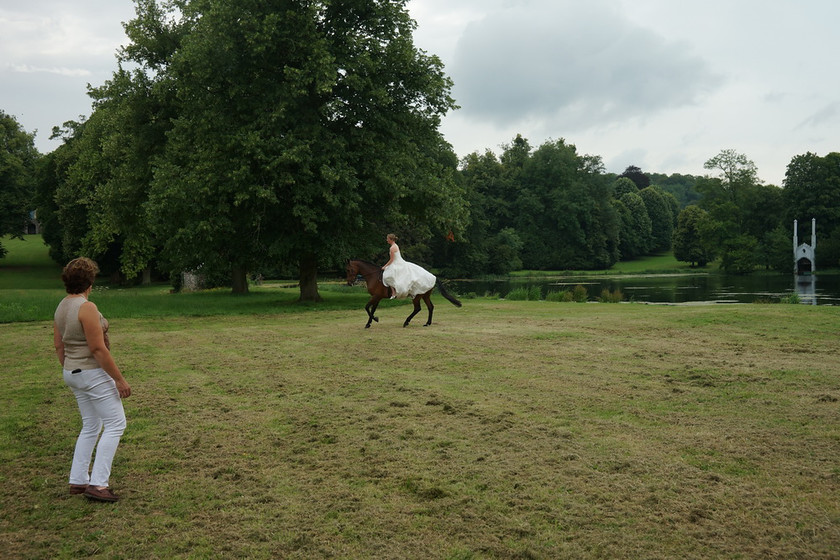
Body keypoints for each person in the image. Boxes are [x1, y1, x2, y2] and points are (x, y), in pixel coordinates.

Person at [53, 257, 131, 502]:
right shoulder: (87, 308)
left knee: (91, 425)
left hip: (71, 372)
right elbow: (98, 349)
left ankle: (78, 480)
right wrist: (119, 380)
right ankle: (98, 484)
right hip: (90, 373)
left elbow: (58, 346)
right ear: (90, 281)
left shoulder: (61, 306)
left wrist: (71, 369)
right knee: (116, 424)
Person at [381, 233, 436, 299]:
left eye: (387, 239)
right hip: (397, 262)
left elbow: (392, 259)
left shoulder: (392, 248)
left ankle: (394, 292)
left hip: (397, 263)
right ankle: (394, 292)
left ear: (390, 239)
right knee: (391, 277)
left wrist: (385, 266)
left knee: (386, 276)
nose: (387, 240)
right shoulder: (395, 245)